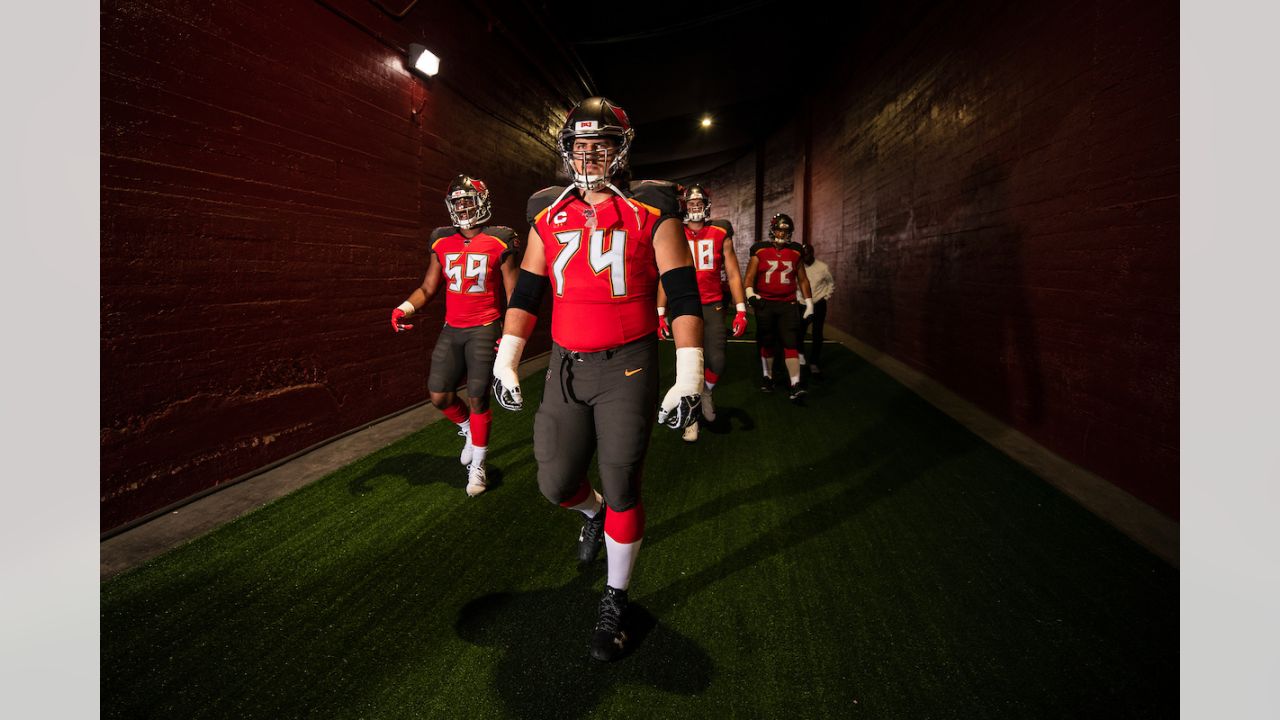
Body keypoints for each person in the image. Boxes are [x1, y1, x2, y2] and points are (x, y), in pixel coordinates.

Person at [489, 96, 704, 662]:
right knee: (557, 483)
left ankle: (615, 600)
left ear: (621, 149)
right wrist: (507, 356)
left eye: (601, 145)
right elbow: (530, 288)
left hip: (627, 364)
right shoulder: (546, 207)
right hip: (564, 362)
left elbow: (682, 291)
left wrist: (688, 372)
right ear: (567, 149)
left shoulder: (651, 205)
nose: (589, 155)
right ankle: (593, 515)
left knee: (623, 479)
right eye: (581, 145)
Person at [391, 175, 519, 497]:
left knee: (477, 395)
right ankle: (467, 431)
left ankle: (479, 463)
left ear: (483, 200)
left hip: (485, 326)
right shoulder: (441, 239)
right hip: (453, 327)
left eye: (468, 200)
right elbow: (428, 287)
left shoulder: (501, 239)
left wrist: (511, 334)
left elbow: (514, 293)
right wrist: (405, 308)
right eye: (458, 202)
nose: (463, 207)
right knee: (439, 394)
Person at [656, 183, 748, 442]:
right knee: (687, 368)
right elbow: (665, 274)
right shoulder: (674, 231)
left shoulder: (720, 231)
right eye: (691, 203)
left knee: (717, 361)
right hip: (684, 307)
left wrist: (741, 309)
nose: (695, 208)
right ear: (684, 206)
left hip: (712, 304)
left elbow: (732, 273)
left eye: (699, 203)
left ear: (706, 206)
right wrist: (661, 311)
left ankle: (705, 392)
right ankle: (691, 418)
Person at [743, 212, 813, 402]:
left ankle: (795, 383)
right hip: (765, 303)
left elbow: (803, 279)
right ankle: (768, 377)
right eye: (778, 230)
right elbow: (749, 276)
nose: (781, 234)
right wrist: (750, 294)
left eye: (785, 231)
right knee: (767, 341)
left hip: (787, 303)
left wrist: (809, 303)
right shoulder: (759, 249)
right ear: (772, 230)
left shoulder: (796, 250)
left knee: (790, 341)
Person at [797, 244, 834, 379]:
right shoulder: (798, 267)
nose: (804, 257)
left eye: (806, 254)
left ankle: (814, 363)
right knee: (799, 333)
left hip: (818, 305)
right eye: (802, 254)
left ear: (812, 253)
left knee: (817, 334)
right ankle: (801, 360)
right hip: (802, 305)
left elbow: (830, 283)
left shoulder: (823, 267)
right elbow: (795, 285)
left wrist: (826, 296)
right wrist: (797, 299)